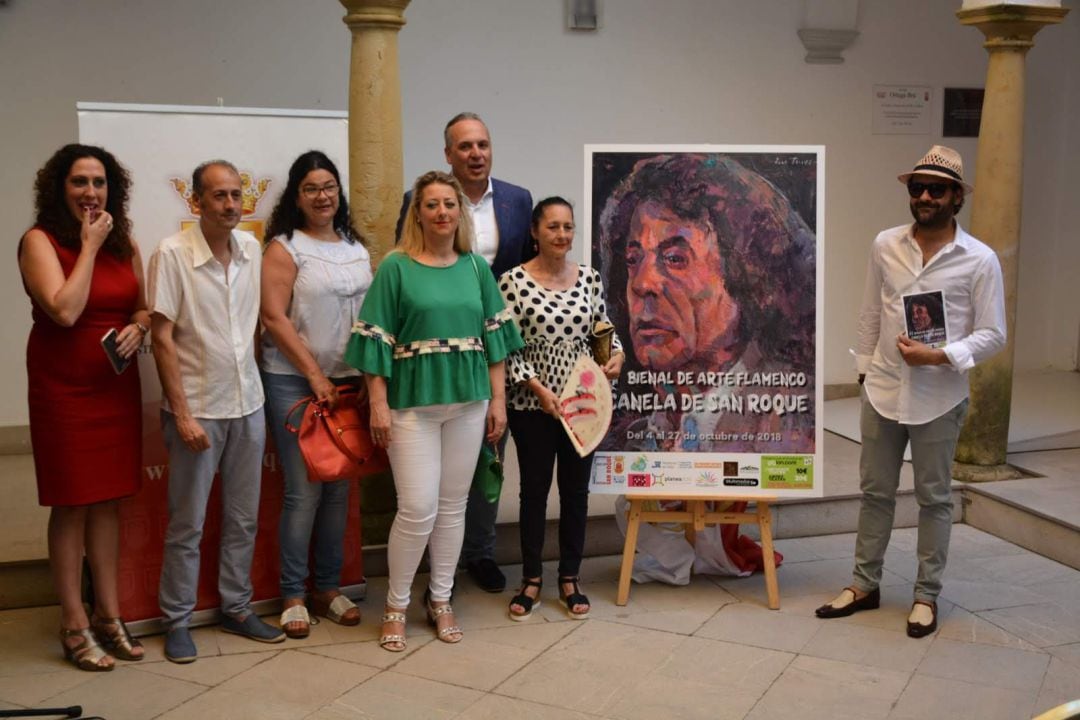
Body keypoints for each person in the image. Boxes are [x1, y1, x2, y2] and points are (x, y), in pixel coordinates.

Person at [815, 145, 1006, 638]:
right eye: (916, 187)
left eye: (936, 189)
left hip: (938, 396)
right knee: (875, 492)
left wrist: (941, 356)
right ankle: (864, 585)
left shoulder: (979, 260)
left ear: (956, 198)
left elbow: (993, 334)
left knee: (935, 498)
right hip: (881, 389)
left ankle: (926, 595)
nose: (924, 195)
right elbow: (870, 313)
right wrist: (862, 371)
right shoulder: (885, 244)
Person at [596, 152, 812, 579]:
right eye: (633, 258)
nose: (642, 284)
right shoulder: (644, 415)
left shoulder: (787, 414)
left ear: (745, 274)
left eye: (675, 258)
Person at [347, 170, 524, 652]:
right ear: (417, 212)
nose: (443, 212)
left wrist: (498, 402)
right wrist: (378, 404)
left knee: (452, 508)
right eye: (432, 204)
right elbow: (375, 340)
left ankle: (441, 599)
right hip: (411, 409)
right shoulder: (396, 268)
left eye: (450, 204)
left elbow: (496, 340)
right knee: (417, 509)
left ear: (459, 212)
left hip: (469, 404)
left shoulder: (475, 269)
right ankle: (396, 605)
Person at [19, 144, 149, 671]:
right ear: (59, 189)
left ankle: (108, 613)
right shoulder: (39, 241)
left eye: (99, 183)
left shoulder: (125, 243)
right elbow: (66, 310)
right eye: (79, 182)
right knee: (71, 502)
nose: (90, 193)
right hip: (63, 388)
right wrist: (90, 247)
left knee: (109, 500)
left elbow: (141, 302)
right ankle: (72, 622)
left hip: (114, 386)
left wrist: (140, 325)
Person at [149, 159, 284, 663]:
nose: (230, 205)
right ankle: (177, 620)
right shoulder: (172, 254)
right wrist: (182, 415)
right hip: (197, 411)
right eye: (219, 196)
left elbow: (253, 327)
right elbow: (161, 338)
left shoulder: (252, 249)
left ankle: (236, 606)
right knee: (187, 523)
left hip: (248, 405)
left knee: (243, 518)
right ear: (196, 202)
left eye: (236, 196)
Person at [395, 112, 534, 593]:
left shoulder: (518, 199)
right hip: (434, 350)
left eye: (483, 145)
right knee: (426, 477)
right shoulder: (423, 199)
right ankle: (429, 566)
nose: (476, 154)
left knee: (491, 451)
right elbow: (408, 262)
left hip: (492, 346)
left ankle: (480, 552)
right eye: (465, 147)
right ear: (448, 154)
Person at [260, 151, 372, 639]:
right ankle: (292, 594)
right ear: (296, 196)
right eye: (311, 189)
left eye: (329, 186)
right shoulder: (285, 249)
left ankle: (327, 588)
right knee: (303, 492)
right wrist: (314, 376)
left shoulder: (355, 246)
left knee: (339, 491)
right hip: (294, 382)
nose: (322, 196)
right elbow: (273, 317)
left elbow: (370, 316)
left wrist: (368, 373)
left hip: (349, 382)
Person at [499, 197, 624, 621]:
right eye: (553, 227)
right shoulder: (512, 281)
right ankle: (531, 578)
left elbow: (602, 328)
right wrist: (537, 389)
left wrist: (616, 355)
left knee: (576, 493)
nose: (562, 235)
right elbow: (506, 346)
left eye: (568, 227)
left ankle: (570, 576)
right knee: (534, 493)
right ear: (535, 231)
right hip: (531, 404)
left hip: (581, 404)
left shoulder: (589, 278)